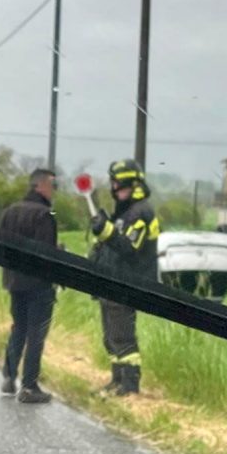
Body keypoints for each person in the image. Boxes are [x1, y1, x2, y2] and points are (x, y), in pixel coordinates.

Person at [89, 159, 159, 396]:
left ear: (134, 185)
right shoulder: (124, 213)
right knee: (110, 338)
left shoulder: (141, 212)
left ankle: (129, 387)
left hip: (127, 284)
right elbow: (109, 247)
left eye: (119, 184)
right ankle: (117, 381)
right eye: (113, 184)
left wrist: (106, 231)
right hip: (111, 283)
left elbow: (129, 247)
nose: (114, 189)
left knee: (122, 338)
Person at [0, 168, 58, 404]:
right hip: (38, 285)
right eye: (52, 185)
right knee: (36, 333)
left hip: (14, 282)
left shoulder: (9, 212)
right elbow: (45, 254)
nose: (54, 190)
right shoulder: (44, 215)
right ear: (40, 186)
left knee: (18, 328)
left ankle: (9, 376)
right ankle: (30, 386)